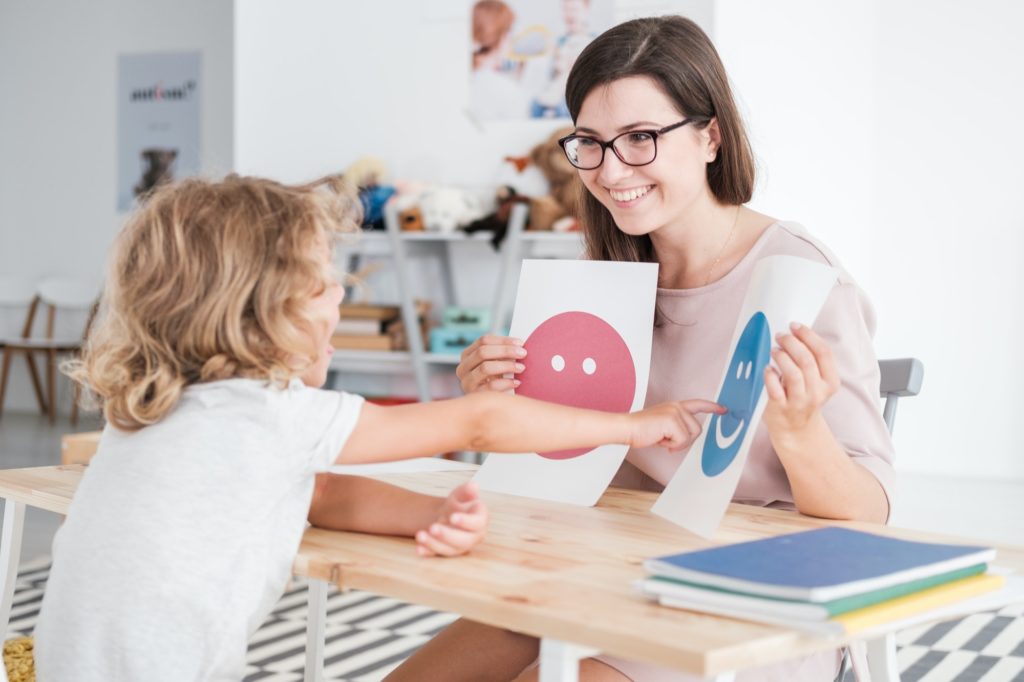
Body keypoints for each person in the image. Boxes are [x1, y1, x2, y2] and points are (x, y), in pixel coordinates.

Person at [32, 174, 721, 681]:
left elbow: (320, 495)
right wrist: (632, 426)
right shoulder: (265, 415)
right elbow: (482, 419)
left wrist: (430, 512)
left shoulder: (157, 413)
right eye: (323, 283)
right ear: (259, 311)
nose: (342, 296)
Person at [388, 14, 895, 682]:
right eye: (590, 143)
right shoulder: (603, 278)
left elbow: (872, 514)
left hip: (759, 601)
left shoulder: (801, 280)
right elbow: (568, 467)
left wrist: (798, 430)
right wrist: (500, 403)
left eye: (641, 139)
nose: (610, 169)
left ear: (710, 136)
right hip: (608, 569)